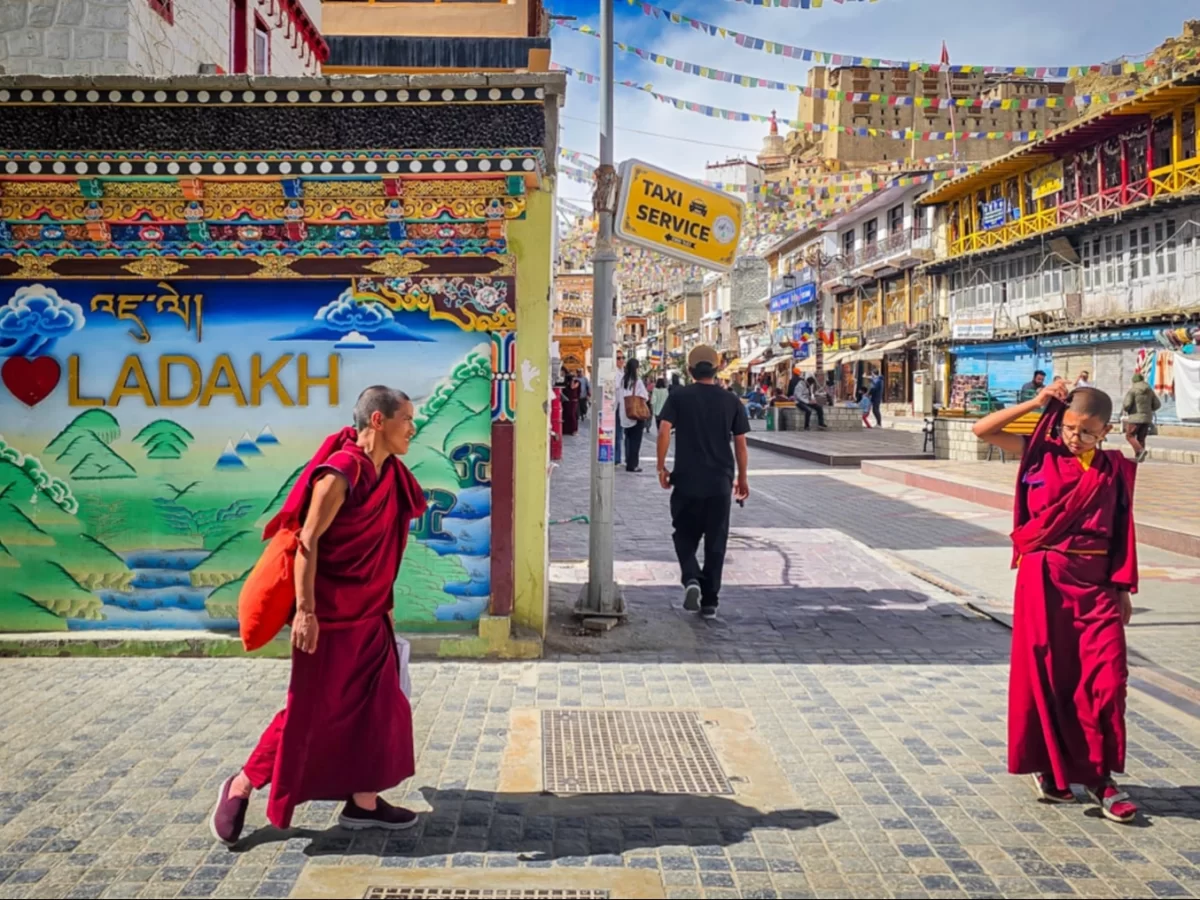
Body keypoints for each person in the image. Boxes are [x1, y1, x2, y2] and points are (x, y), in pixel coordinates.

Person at [209, 387, 426, 844]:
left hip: (371, 616)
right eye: (406, 418)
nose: (413, 427)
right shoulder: (342, 473)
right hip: (329, 620)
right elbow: (307, 543)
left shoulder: (391, 473)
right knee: (310, 713)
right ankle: (242, 784)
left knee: (380, 706)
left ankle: (363, 802)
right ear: (378, 422)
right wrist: (305, 612)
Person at [972, 381, 1140, 824]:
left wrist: (1122, 587)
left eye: (1087, 432)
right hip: (1043, 579)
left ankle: (1100, 775)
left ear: (1106, 431)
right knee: (1048, 673)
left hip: (1096, 582)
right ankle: (1051, 767)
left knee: (1108, 678)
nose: (1075, 438)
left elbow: (1124, 527)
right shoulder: (1040, 452)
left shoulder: (1114, 469)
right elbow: (981, 430)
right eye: (1069, 428)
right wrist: (1035, 403)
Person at [656, 345, 750, 619]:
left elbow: (663, 430)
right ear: (718, 369)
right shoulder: (730, 401)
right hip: (720, 482)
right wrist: (742, 478)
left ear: (689, 370)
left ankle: (691, 577)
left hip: (686, 479)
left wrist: (661, 467)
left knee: (683, 534)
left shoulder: (679, 397)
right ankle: (710, 601)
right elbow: (741, 445)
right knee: (716, 540)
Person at [617, 357, 650, 473]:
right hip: (636, 414)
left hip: (625, 413)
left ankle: (628, 462)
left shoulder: (622, 381)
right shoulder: (638, 382)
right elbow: (645, 396)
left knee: (628, 439)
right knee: (636, 441)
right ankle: (633, 465)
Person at [1122, 373, 1161, 463]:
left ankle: (1140, 451)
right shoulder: (1149, 390)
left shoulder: (1133, 390)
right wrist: (1149, 410)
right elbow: (1157, 404)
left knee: (1129, 436)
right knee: (1141, 437)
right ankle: (1139, 457)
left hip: (1135, 417)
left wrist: (1127, 409)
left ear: (1134, 381)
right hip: (1147, 418)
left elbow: (1127, 404)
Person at [559, 367, 580, 437]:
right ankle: (566, 430)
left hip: (573, 401)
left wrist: (572, 380)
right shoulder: (565, 380)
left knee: (572, 415)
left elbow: (572, 387)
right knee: (565, 414)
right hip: (566, 400)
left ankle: (574, 430)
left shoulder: (577, 381)